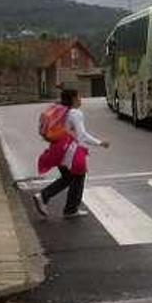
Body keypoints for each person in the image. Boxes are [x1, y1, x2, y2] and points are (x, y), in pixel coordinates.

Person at [33, 89, 110, 218]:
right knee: (79, 175)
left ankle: (45, 197)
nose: (81, 99)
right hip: (70, 150)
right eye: (79, 96)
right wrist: (100, 143)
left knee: (68, 177)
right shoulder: (75, 113)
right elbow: (82, 136)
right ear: (73, 99)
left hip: (57, 147)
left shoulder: (60, 109)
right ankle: (69, 208)